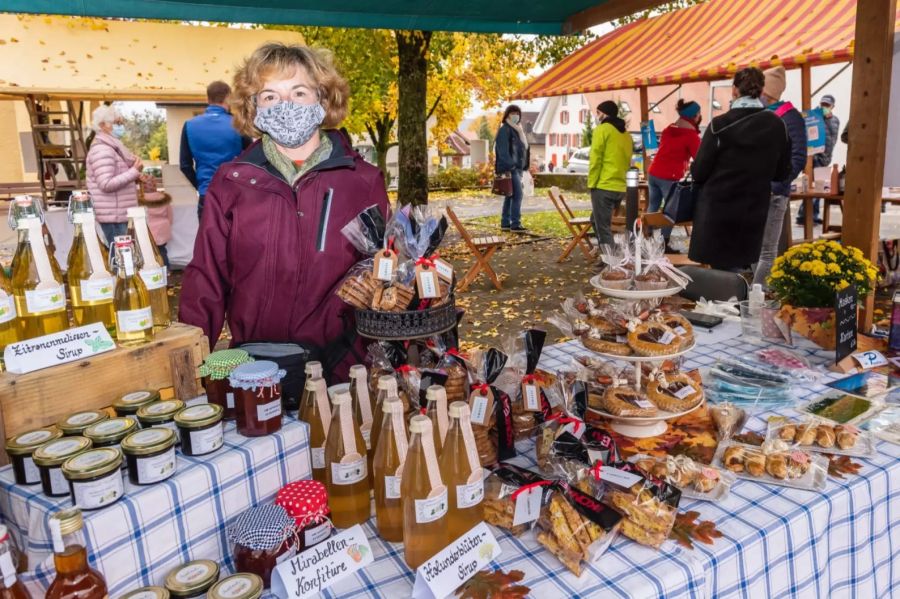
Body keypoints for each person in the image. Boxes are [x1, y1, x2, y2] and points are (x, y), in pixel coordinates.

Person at [179, 43, 390, 378]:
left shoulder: (362, 181)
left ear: (323, 100)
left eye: (299, 92)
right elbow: (207, 278)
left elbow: (383, 276)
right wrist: (187, 365)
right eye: (270, 96)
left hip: (341, 369)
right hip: (254, 371)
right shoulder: (231, 182)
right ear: (254, 107)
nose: (285, 106)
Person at [688, 67, 791, 271]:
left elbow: (699, 171)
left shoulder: (720, 124)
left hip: (717, 210)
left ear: (734, 90)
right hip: (752, 210)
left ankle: (725, 302)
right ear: (761, 91)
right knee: (737, 270)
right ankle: (735, 301)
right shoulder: (777, 124)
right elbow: (782, 173)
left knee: (720, 275)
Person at [752, 67, 807, 288]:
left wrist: (778, 183)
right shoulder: (761, 114)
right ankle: (759, 294)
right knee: (754, 247)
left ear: (768, 93)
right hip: (754, 192)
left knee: (767, 249)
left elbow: (799, 157)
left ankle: (760, 296)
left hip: (774, 193)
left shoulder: (790, 117)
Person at [179, 81, 248, 221]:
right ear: (228, 98)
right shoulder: (238, 125)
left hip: (207, 194)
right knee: (236, 242)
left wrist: (200, 185)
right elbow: (252, 160)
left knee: (208, 242)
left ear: (207, 99)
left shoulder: (189, 125)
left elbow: (185, 165)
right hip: (234, 194)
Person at [646, 99, 702, 249]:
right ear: (694, 116)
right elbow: (701, 158)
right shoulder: (691, 136)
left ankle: (645, 238)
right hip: (668, 177)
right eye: (698, 114)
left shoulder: (668, 129)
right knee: (670, 211)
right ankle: (663, 243)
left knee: (653, 205)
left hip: (653, 172)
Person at [86, 104, 143, 245]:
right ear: (102, 125)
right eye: (117, 123)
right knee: (121, 258)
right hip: (113, 217)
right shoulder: (103, 150)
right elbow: (106, 184)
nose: (121, 126)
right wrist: (134, 172)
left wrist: (134, 174)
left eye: (121, 123)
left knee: (124, 257)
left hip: (118, 214)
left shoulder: (112, 147)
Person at [588, 100, 633, 246]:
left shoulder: (602, 130)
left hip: (603, 186)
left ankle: (610, 260)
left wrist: (592, 184)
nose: (597, 116)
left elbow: (596, 159)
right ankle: (608, 252)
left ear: (605, 114)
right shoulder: (626, 134)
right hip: (620, 186)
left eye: (598, 112)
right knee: (595, 220)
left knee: (603, 228)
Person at [797, 93, 840, 225]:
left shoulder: (835, 120)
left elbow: (833, 138)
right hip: (814, 156)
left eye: (827, 105)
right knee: (811, 187)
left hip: (826, 157)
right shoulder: (813, 116)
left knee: (819, 187)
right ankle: (804, 215)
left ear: (833, 106)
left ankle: (812, 214)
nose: (824, 107)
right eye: (823, 104)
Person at [494, 105, 529, 233]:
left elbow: (522, 150)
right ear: (507, 115)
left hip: (517, 168)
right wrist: (512, 165)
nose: (516, 115)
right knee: (518, 195)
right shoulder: (504, 130)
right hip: (510, 168)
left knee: (510, 195)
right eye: (513, 113)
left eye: (518, 113)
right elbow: (502, 151)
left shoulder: (517, 130)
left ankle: (505, 223)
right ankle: (515, 224)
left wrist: (522, 166)